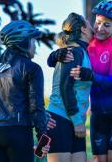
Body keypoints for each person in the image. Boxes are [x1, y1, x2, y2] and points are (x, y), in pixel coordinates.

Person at [48, 0, 112, 162]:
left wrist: (91, 75)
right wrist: (55, 55)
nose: (99, 28)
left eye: (106, 25)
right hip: (92, 113)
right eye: (97, 23)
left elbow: (110, 80)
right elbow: (66, 46)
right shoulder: (88, 44)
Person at [0, 20, 51, 162]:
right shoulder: (32, 68)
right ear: (24, 42)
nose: (35, 45)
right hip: (17, 131)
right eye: (33, 40)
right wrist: (42, 138)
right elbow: (36, 106)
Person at [46, 13, 93, 162]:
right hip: (61, 119)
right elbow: (65, 87)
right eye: (89, 24)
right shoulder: (75, 52)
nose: (94, 27)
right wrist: (77, 120)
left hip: (74, 119)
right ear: (84, 29)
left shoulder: (81, 52)